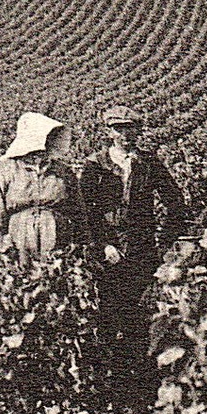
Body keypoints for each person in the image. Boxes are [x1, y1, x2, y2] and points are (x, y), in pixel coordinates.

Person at [81, 106, 187, 371]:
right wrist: (103, 244)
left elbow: (175, 202)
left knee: (140, 315)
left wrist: (164, 243)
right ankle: (111, 375)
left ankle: (140, 375)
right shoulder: (95, 166)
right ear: (110, 132)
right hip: (107, 254)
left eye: (131, 129)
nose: (126, 135)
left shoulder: (148, 163)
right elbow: (85, 211)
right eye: (120, 129)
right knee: (108, 313)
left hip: (142, 251)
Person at [0, 112, 86, 265]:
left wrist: (82, 246)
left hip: (57, 238)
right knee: (22, 280)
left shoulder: (62, 171)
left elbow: (78, 211)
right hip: (19, 239)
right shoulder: (5, 170)